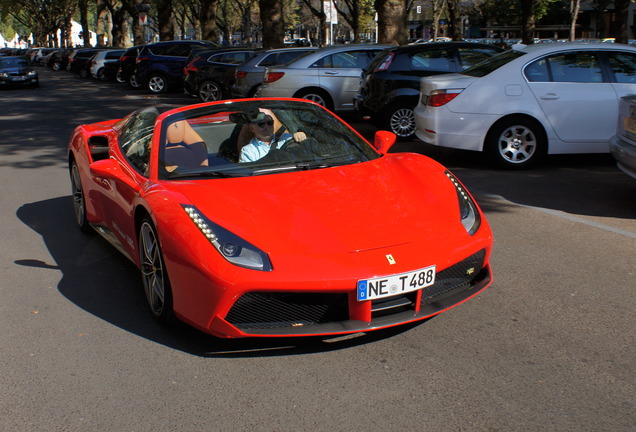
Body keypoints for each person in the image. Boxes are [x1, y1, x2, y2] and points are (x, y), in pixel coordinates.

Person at [237, 110, 306, 163]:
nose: (267, 127)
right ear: (252, 128)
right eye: (261, 124)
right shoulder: (248, 151)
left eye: (270, 123)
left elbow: (303, 154)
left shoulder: (285, 138)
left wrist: (300, 136)